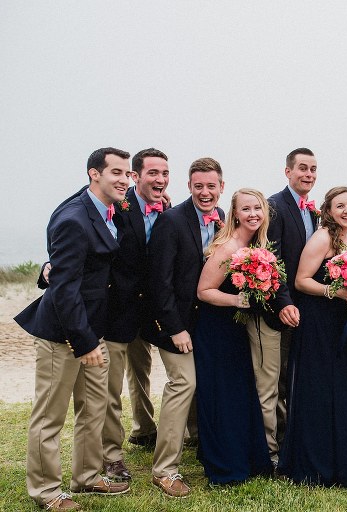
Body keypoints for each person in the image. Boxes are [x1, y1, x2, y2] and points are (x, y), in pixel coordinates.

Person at [15, 147, 132, 511]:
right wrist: (83, 343)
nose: (124, 180)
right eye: (116, 172)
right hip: (63, 334)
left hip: (95, 328)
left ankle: (85, 476)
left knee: (93, 409)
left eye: (127, 173)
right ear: (93, 173)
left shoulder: (108, 208)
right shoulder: (74, 217)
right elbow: (64, 290)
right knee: (50, 417)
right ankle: (47, 491)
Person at [277, 186, 347, 490]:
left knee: (344, 388)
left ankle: (345, 462)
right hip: (318, 322)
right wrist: (334, 291)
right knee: (319, 390)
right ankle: (315, 465)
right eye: (340, 206)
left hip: (340, 321)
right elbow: (301, 280)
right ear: (328, 210)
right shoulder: (322, 237)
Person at [143, 157, 225, 498]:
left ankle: (198, 442)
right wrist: (174, 328)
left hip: (205, 324)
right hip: (171, 323)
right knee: (183, 384)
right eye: (198, 186)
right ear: (189, 186)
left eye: (211, 186)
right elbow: (157, 283)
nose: (205, 193)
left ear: (222, 187)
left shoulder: (224, 221)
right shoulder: (171, 221)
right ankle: (164, 470)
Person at [194, 188, 274, 484]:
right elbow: (203, 291)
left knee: (240, 393)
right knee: (222, 395)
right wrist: (237, 300)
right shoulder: (227, 247)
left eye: (258, 208)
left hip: (236, 329)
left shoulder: (255, 245)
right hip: (216, 329)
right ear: (235, 214)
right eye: (246, 209)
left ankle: (247, 457)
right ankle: (225, 463)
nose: (253, 214)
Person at [101, 148, 169, 482]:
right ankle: (111, 456)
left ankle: (143, 428)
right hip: (116, 310)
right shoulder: (118, 206)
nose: (159, 179)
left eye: (164, 174)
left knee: (141, 371)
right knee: (110, 386)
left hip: (151, 311)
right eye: (152, 173)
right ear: (135, 176)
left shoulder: (167, 210)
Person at [265, 148, 316, 455]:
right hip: (285, 308)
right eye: (302, 169)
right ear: (288, 172)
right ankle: (280, 444)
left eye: (312, 169)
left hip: (307, 305)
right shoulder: (275, 206)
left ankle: (296, 432)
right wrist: (284, 302)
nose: (308, 174)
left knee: (298, 372)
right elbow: (274, 259)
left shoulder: (311, 209)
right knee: (281, 377)